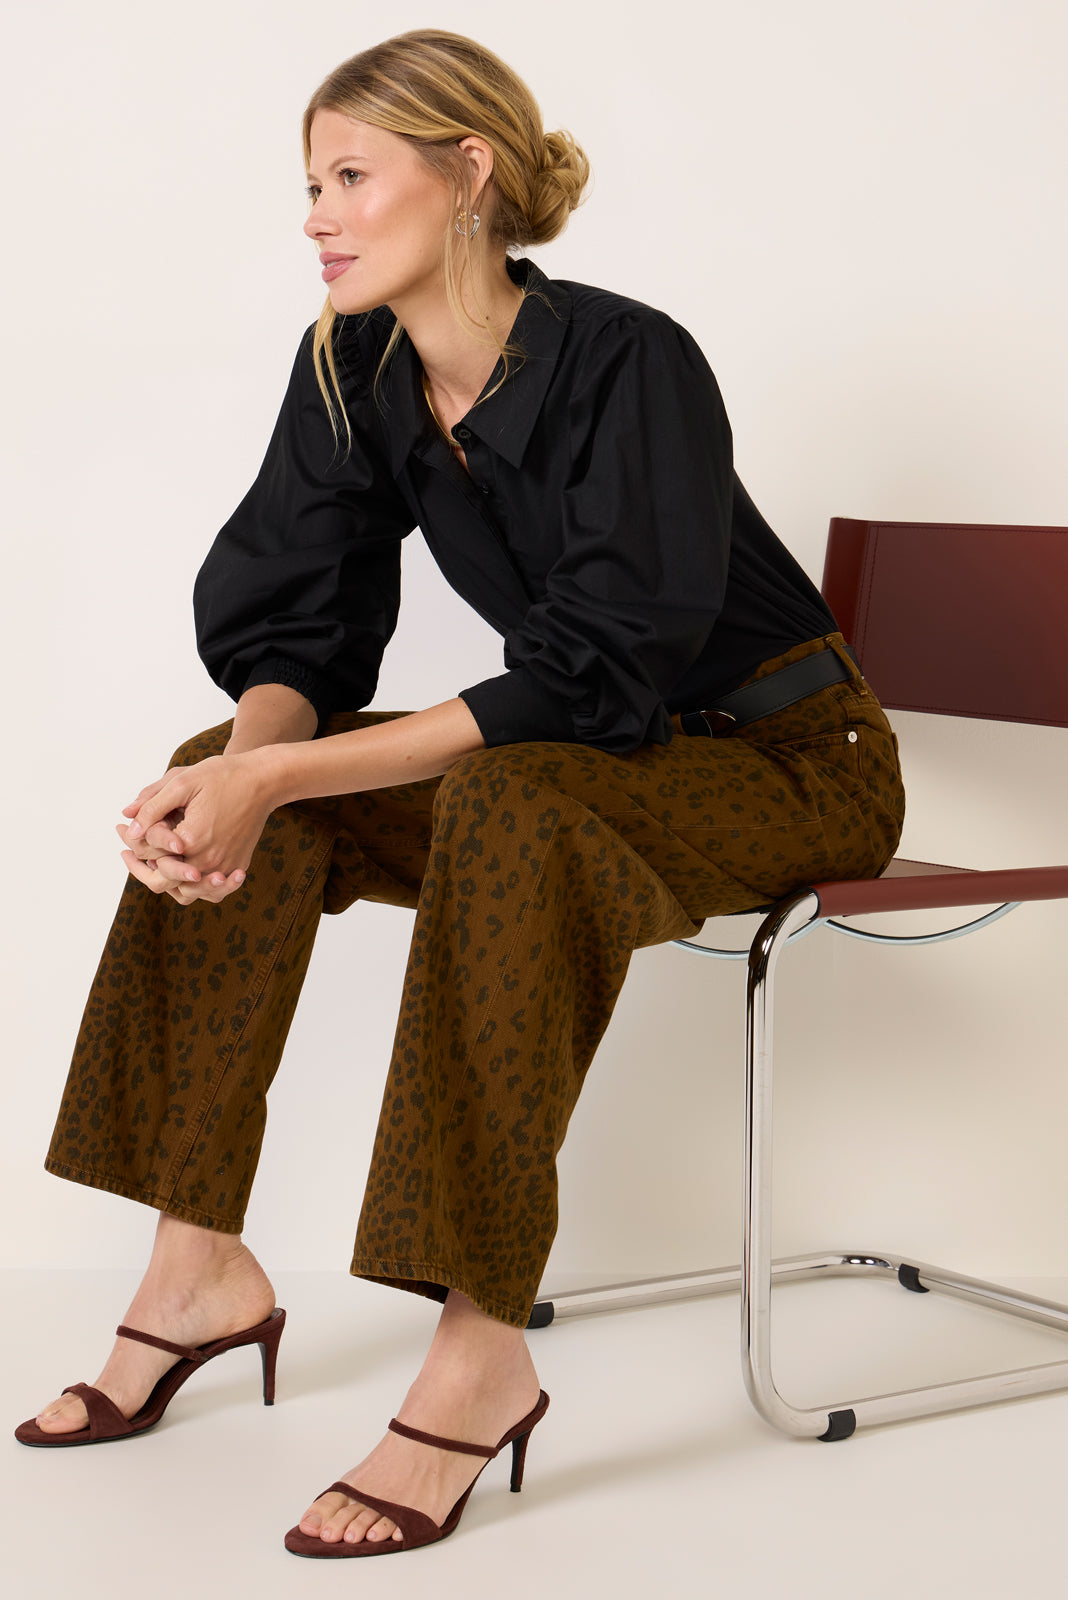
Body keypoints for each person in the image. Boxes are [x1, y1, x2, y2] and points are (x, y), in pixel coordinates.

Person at [15, 27, 905, 1558]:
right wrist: (250, 772)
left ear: (468, 169)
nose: (316, 215)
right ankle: (194, 1269)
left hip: (792, 764)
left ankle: (481, 1349)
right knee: (223, 770)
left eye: (350, 177)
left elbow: (597, 667)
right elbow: (298, 625)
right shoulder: (354, 364)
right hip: (605, 763)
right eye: (310, 184)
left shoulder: (628, 360)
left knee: (506, 805)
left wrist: (281, 771)